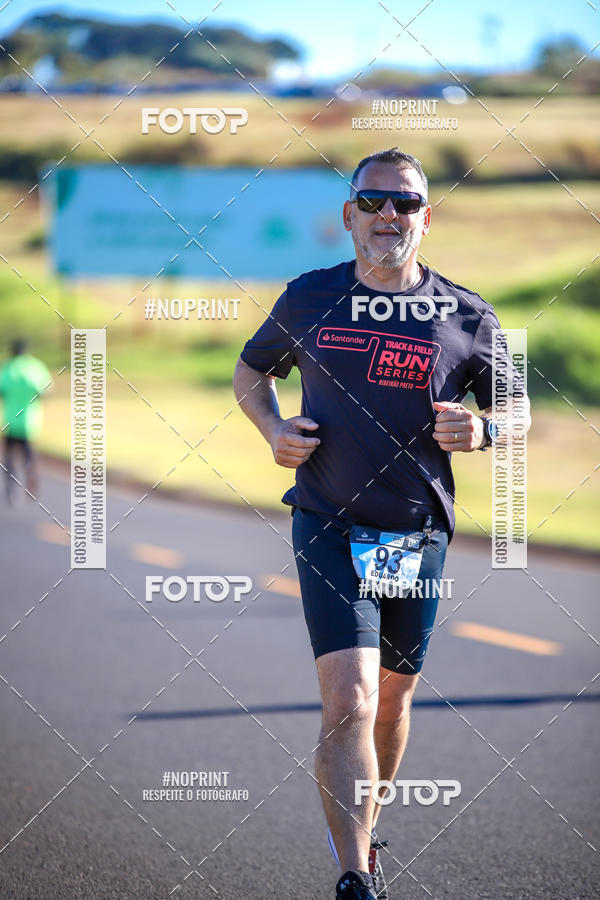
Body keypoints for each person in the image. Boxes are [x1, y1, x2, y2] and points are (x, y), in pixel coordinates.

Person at [233, 148, 529, 899]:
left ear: (426, 218)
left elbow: (519, 407)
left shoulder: (467, 315)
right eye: (372, 202)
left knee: (392, 699)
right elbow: (250, 372)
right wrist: (273, 430)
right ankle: (353, 872)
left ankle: (367, 835)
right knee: (352, 697)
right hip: (328, 522)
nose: (387, 216)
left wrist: (487, 431)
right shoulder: (308, 298)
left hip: (414, 533)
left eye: (404, 204)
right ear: (349, 216)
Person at [1, 339, 52, 504]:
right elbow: (46, 391)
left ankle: (11, 487)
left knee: (9, 456)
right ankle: (31, 475)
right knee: (29, 455)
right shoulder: (35, 368)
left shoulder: (9, 368)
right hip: (30, 422)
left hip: (11, 421)